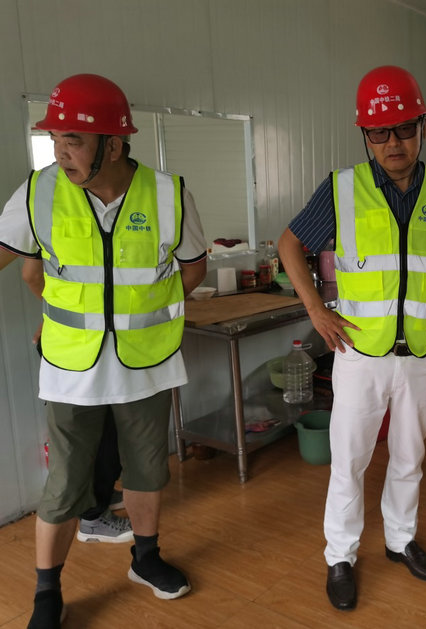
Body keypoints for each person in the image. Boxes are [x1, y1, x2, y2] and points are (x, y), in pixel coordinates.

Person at [0, 73, 207, 628]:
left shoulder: (168, 194)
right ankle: (47, 592)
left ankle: (145, 558)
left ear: (113, 145)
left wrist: (144, 316)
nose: (59, 152)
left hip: (148, 361)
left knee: (146, 468)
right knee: (67, 480)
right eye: (54, 139)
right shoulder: (38, 192)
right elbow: (22, 267)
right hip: (71, 366)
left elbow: (192, 270)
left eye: (72, 140)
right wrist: (70, 316)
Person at [278, 65, 426, 612]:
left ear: (422, 127)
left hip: (421, 353)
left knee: (409, 456)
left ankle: (400, 539)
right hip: (359, 354)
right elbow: (289, 244)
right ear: (365, 136)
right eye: (379, 132)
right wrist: (316, 310)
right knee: (349, 461)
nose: (393, 143)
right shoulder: (342, 189)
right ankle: (340, 556)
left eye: (404, 129)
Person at [23, 258, 131, 544]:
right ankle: (93, 516)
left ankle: (98, 497)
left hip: (82, 337)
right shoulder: (38, 224)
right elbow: (31, 274)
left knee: (102, 430)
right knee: (98, 435)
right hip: (81, 341)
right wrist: (62, 313)